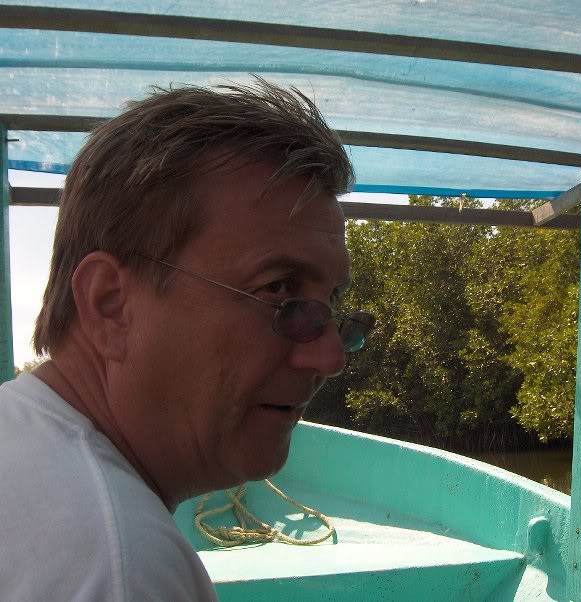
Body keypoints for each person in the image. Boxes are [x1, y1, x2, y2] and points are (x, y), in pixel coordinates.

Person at [0, 79, 374, 600]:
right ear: (111, 305)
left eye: (330, 306)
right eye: (279, 290)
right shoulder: (121, 567)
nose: (329, 355)